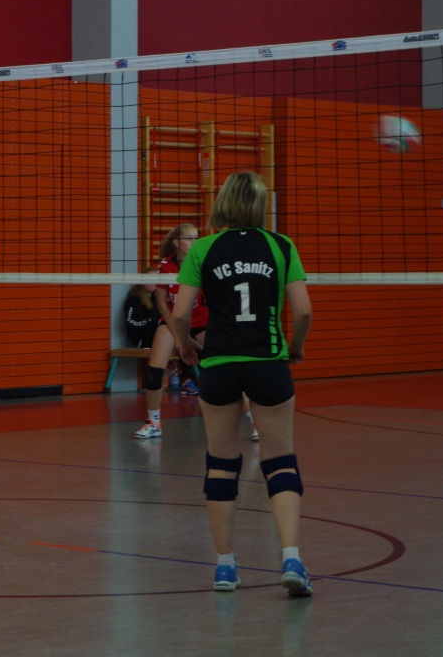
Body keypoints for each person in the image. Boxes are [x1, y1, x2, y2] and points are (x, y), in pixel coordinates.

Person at [168, 171, 313, 597]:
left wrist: (184, 345)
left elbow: (180, 313)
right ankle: (291, 559)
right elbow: (303, 311)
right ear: (260, 205)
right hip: (268, 361)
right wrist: (295, 347)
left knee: (221, 463)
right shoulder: (281, 245)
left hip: (219, 364)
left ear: (224, 202)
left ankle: (225, 568)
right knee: (280, 460)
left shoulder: (204, 247)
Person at [133, 224, 208, 438]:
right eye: (189, 238)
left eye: (196, 238)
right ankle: (153, 422)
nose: (194, 242)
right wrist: (178, 336)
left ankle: (251, 421)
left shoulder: (203, 263)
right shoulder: (165, 266)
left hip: (201, 321)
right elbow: (162, 304)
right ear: (176, 242)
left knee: (223, 369)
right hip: (173, 320)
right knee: (153, 374)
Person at [122, 268, 159, 349]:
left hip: (155, 336)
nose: (153, 282)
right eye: (150, 279)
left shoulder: (155, 299)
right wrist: (151, 320)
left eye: (156, 279)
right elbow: (131, 321)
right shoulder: (134, 299)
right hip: (142, 338)